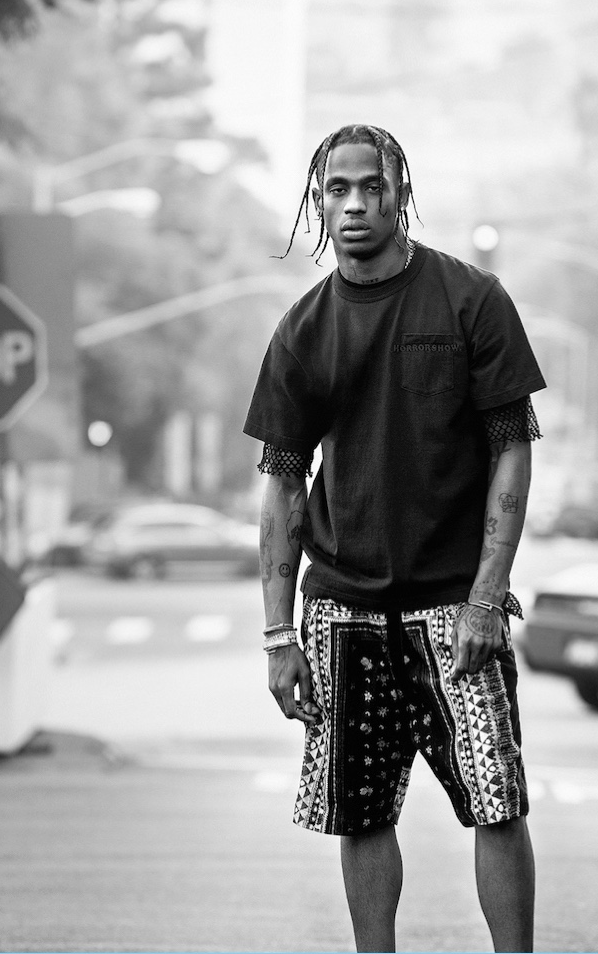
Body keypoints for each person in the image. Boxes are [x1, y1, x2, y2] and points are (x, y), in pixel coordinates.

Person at [243, 124, 546, 953]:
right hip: (342, 609)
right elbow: (281, 484)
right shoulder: (302, 331)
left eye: (369, 187)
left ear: (400, 194)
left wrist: (488, 593)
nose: (352, 205)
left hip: (456, 607)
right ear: (317, 201)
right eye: (335, 190)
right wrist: (278, 633)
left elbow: (511, 445)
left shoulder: (468, 297)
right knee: (360, 811)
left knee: (497, 796)